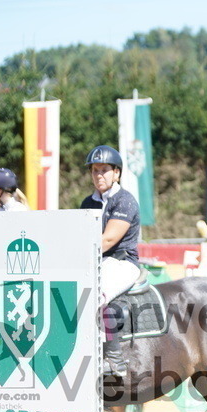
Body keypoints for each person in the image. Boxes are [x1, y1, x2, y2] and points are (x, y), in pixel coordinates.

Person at [79, 144, 141, 377]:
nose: (98, 175)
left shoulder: (125, 200)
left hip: (122, 262)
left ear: (116, 173)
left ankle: (114, 358)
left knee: (95, 293)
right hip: (97, 262)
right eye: (95, 170)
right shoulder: (88, 202)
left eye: (104, 170)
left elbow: (108, 240)